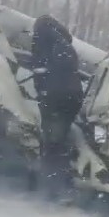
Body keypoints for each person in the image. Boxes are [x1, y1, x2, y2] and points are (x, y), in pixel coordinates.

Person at [31, 15, 83, 200]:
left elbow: (43, 73)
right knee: (59, 142)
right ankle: (62, 184)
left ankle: (54, 189)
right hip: (72, 98)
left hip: (56, 99)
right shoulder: (64, 44)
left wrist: (44, 95)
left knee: (52, 145)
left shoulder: (44, 41)